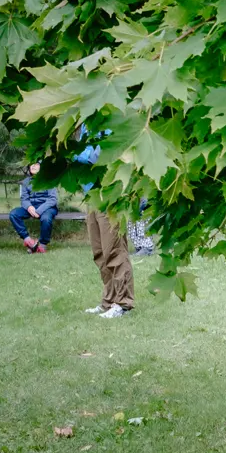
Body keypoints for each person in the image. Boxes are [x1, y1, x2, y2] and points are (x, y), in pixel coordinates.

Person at [75, 131, 134, 318]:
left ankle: (123, 303)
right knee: (99, 251)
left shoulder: (106, 120)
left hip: (110, 193)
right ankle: (108, 301)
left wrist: (76, 154)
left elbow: (98, 155)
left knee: (114, 250)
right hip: (91, 194)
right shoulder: (84, 123)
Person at [9, 163, 58, 253]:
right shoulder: (26, 181)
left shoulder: (49, 180)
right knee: (14, 214)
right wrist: (29, 207)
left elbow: (52, 199)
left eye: (36, 164)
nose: (33, 166)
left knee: (46, 219)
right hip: (31, 207)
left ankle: (42, 245)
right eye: (31, 164)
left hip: (47, 207)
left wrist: (39, 211)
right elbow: (24, 199)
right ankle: (29, 241)